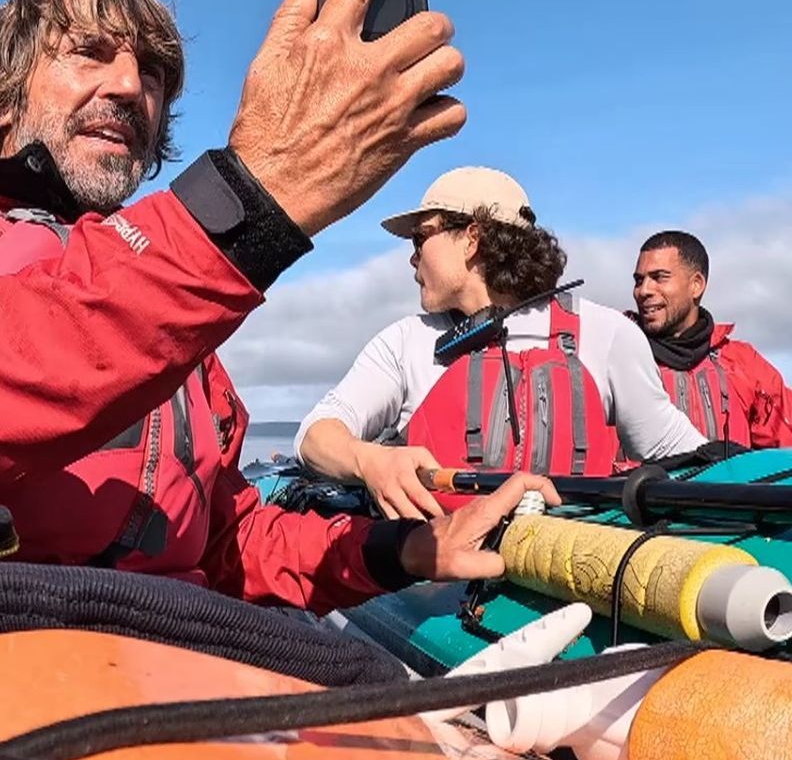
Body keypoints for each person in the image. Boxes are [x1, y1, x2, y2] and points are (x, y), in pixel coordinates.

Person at [0, 0, 557, 619]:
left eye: (155, 73)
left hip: (158, 656)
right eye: (90, 53)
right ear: (1, 89)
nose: (132, 86)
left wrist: (409, 547)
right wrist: (249, 203)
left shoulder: (173, 303)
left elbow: (231, 543)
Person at [294, 167, 707, 520]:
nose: (413, 258)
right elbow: (314, 438)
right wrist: (370, 461)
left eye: (421, 239)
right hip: (436, 590)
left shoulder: (608, 334)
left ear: (472, 238)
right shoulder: (404, 343)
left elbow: (687, 457)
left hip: (574, 579)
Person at [632, 230, 792, 448]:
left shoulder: (740, 362)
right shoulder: (616, 359)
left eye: (659, 277)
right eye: (639, 280)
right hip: (639, 482)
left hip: (726, 480)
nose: (643, 290)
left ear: (696, 285)